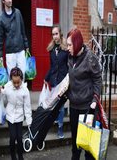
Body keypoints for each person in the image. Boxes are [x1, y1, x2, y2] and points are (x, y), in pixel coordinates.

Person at [66, 29, 102, 160]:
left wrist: (95, 98)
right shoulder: (70, 56)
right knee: (75, 141)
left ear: (76, 43)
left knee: (87, 144)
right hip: (74, 106)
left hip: (87, 107)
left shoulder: (90, 58)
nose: (68, 47)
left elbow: (98, 79)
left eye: (70, 45)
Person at [0, 67, 32, 160]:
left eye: (18, 82)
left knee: (19, 138)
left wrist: (29, 121)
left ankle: (20, 156)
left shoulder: (25, 90)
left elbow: (27, 107)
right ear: (11, 79)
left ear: (21, 79)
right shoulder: (7, 86)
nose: (16, 84)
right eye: (14, 82)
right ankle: (13, 157)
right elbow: (0, 94)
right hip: (10, 115)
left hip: (19, 116)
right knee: (13, 137)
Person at [44, 24, 69, 139]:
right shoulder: (51, 49)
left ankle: (60, 128)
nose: (55, 36)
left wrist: (69, 80)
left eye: (56, 33)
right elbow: (52, 66)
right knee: (55, 105)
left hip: (63, 82)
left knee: (60, 106)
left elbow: (69, 66)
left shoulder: (66, 49)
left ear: (60, 34)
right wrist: (46, 78)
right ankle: (56, 121)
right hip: (54, 81)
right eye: (53, 34)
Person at [0, 0, 29, 80]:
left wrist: (26, 45)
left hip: (20, 50)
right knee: (11, 78)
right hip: (10, 52)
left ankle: (22, 94)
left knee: (22, 75)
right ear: (3, 1)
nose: (10, 0)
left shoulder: (18, 13)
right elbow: (0, 38)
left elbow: (23, 30)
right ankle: (13, 94)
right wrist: (0, 55)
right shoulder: (1, 18)